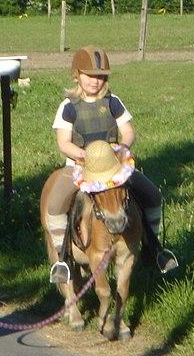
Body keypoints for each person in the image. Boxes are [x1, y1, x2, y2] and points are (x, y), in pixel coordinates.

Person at [45, 45, 178, 283]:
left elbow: (128, 132)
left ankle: (153, 248)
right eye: (89, 76)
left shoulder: (113, 102)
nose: (95, 81)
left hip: (114, 168)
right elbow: (64, 143)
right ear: (77, 74)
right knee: (55, 204)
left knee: (152, 194)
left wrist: (121, 149)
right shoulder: (68, 107)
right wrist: (87, 156)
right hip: (79, 166)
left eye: (100, 77)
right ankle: (62, 258)